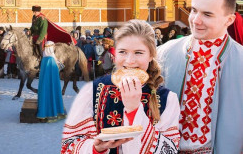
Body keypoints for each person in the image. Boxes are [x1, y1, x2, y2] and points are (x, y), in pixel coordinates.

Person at [61, 19, 180, 154]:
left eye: (139, 52)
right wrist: (95, 148)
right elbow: (69, 145)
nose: (129, 61)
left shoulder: (167, 99)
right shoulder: (92, 92)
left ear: (151, 55)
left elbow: (169, 150)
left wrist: (134, 110)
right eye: (123, 52)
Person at [157, 0, 242, 153]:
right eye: (194, 10)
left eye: (207, 14)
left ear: (229, 20)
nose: (195, 20)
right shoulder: (164, 53)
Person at [37, 41, 66, 122]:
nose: (54, 48)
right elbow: (55, 70)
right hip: (53, 82)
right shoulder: (51, 59)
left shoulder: (44, 58)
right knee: (53, 93)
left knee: (45, 94)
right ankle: (53, 112)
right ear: (50, 47)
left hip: (45, 83)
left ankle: (44, 112)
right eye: (53, 47)